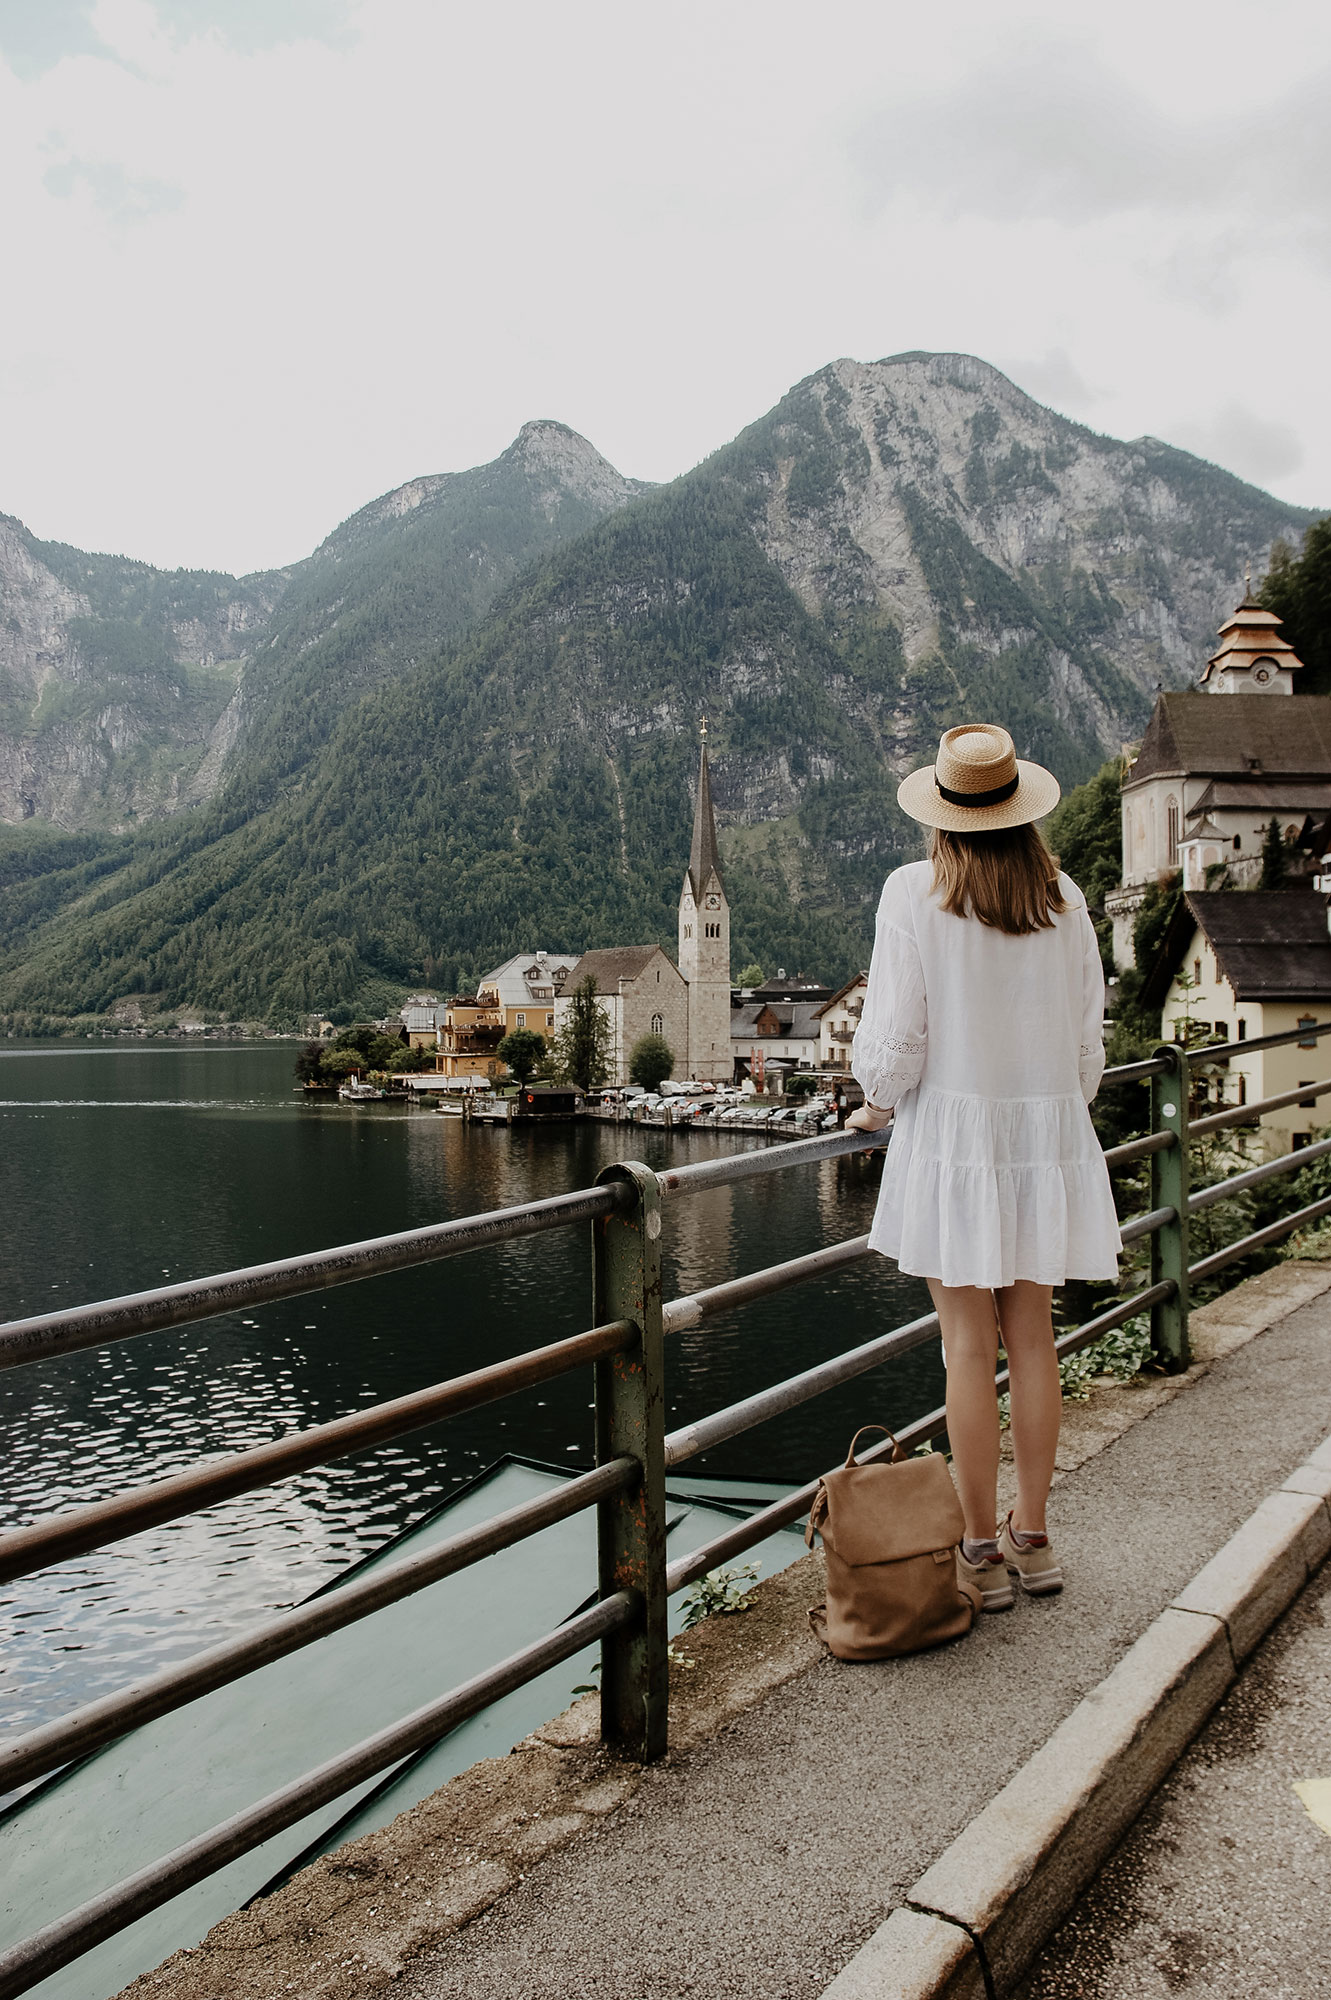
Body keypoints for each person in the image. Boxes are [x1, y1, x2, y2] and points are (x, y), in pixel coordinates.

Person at [846, 723, 1120, 1611]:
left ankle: (977, 1554)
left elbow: (895, 1039)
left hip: (953, 1142)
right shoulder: (1065, 896)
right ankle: (1032, 1540)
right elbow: (1087, 1046)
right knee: (1031, 1338)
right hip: (1040, 1138)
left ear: (942, 811)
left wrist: (876, 1100)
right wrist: (1048, 1114)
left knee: (967, 1349)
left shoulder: (911, 891)